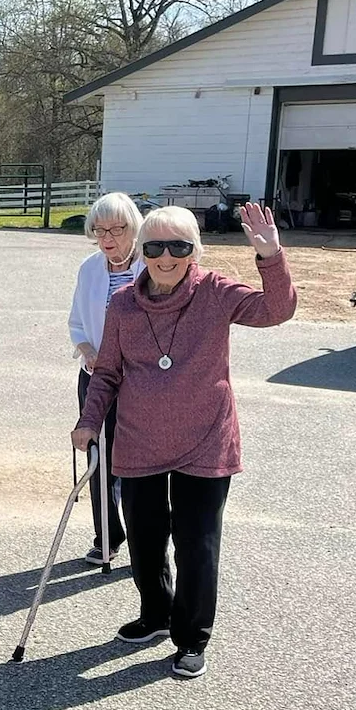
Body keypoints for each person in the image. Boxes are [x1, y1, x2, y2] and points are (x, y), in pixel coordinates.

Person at [73, 203, 295, 680]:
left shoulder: (214, 292)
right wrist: (89, 421)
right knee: (147, 541)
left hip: (205, 439)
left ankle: (191, 636)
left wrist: (270, 255)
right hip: (139, 439)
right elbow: (107, 372)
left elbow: (277, 310)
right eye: (155, 247)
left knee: (196, 544)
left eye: (179, 246)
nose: (166, 256)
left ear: (195, 251)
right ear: (142, 251)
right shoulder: (124, 304)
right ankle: (156, 614)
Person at [67, 191, 145, 564]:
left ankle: (146, 538)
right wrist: (88, 351)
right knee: (97, 457)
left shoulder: (150, 266)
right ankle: (107, 537)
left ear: (134, 227)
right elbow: (77, 323)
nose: (108, 238)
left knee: (135, 461)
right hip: (97, 378)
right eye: (100, 230)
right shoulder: (90, 269)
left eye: (117, 228)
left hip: (142, 382)